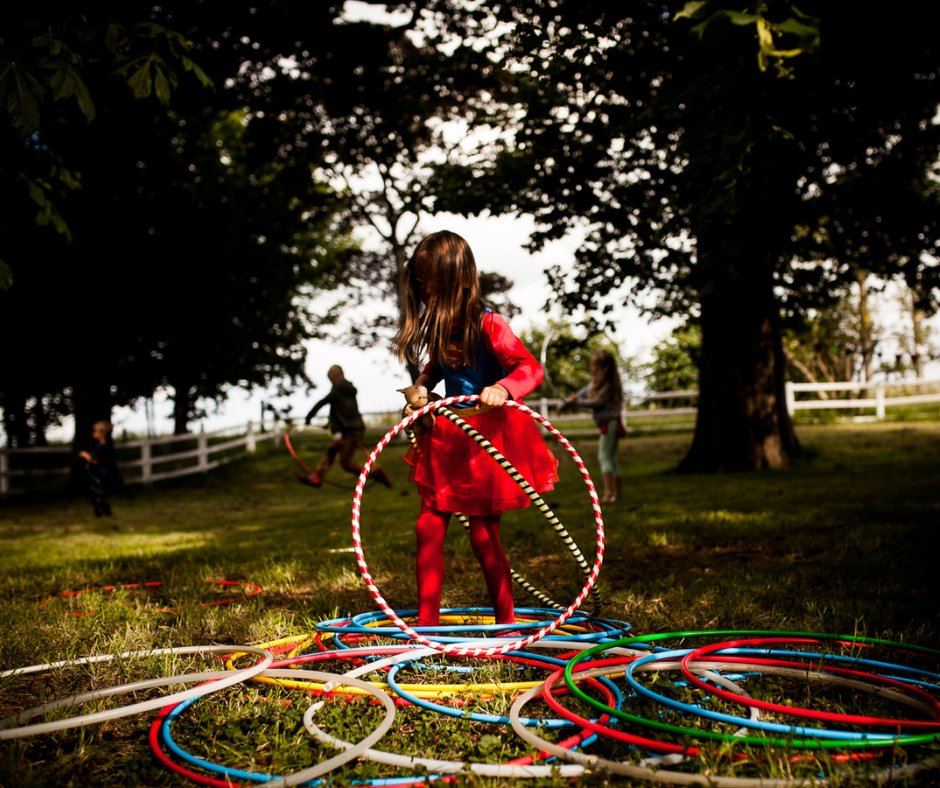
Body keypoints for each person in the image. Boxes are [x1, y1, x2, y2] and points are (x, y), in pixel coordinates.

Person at [395, 230, 559, 629]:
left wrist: (504, 388)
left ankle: (506, 620)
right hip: (448, 437)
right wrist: (421, 389)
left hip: (487, 440)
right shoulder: (439, 327)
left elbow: (530, 368)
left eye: (433, 279)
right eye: (421, 280)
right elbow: (437, 367)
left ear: (460, 279)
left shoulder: (488, 323)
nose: (426, 288)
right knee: (427, 526)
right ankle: (427, 623)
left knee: (483, 536)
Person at [299, 365, 391, 488]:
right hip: (347, 430)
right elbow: (341, 409)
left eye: (330, 377)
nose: (329, 380)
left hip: (350, 431)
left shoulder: (339, 387)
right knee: (331, 450)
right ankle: (317, 478)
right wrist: (331, 424)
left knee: (346, 463)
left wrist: (309, 417)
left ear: (336, 374)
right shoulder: (344, 389)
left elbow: (323, 402)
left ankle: (375, 474)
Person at [567, 348, 625, 504]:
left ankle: (609, 494)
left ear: (604, 368)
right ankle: (616, 494)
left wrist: (577, 402)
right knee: (610, 458)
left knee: (604, 457)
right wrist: (566, 403)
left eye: (594, 365)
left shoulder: (609, 386)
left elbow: (596, 403)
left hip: (610, 423)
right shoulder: (594, 384)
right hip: (609, 424)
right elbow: (579, 395)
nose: (591, 368)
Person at [77, 420, 125, 517]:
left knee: (97, 493)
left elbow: (93, 460)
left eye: (95, 431)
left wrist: (84, 455)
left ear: (101, 434)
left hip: (98, 473)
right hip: (104, 472)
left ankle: (99, 512)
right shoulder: (106, 446)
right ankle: (106, 511)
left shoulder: (100, 447)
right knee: (103, 492)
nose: (93, 433)